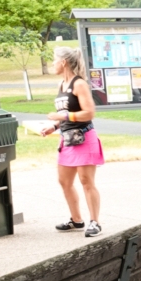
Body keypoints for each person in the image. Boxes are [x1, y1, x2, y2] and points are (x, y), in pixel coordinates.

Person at [42, 47, 104, 238]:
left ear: (64, 62)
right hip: (67, 139)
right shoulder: (62, 85)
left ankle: (95, 222)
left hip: (84, 138)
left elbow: (89, 112)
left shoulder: (79, 84)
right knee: (64, 181)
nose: (52, 64)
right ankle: (76, 219)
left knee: (86, 181)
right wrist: (54, 126)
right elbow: (65, 116)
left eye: (54, 60)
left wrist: (64, 115)